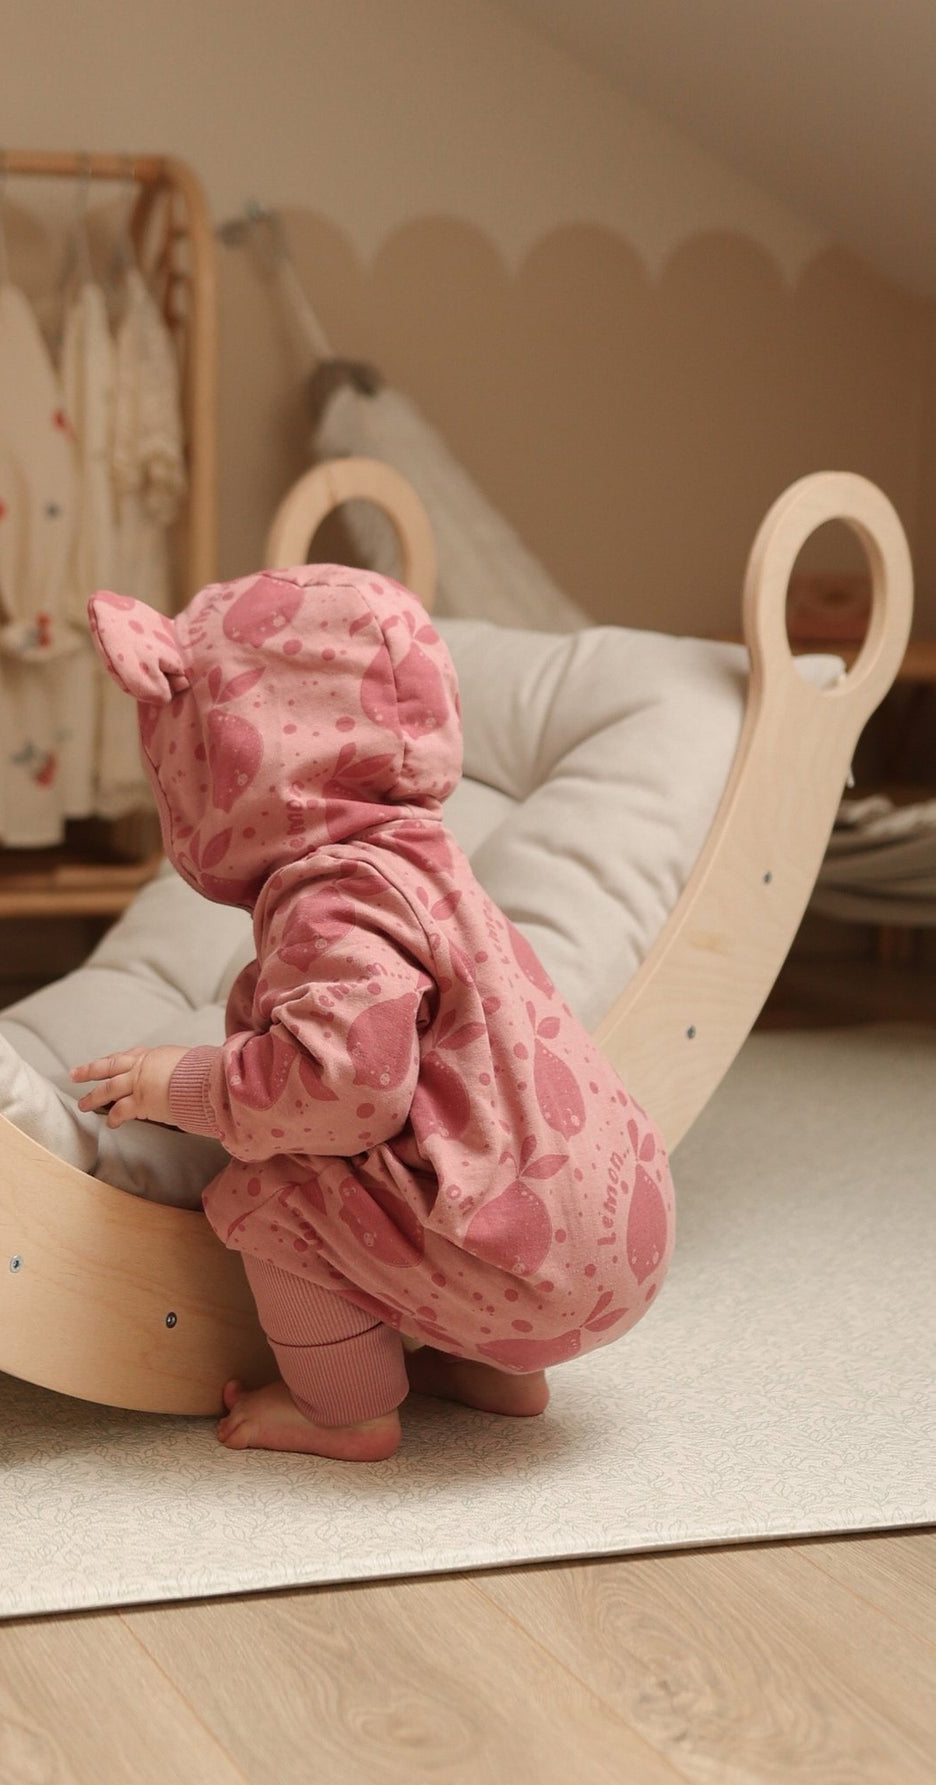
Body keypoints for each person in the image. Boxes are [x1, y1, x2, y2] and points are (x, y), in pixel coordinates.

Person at [72, 566, 674, 1462]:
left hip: (527, 1269)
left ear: (230, 759)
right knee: (437, 1169)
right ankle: (496, 1373)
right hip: (623, 1238)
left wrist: (188, 1083)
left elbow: (345, 1094)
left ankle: (343, 1412)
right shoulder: (429, 863)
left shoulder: (333, 899)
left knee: (269, 1193)